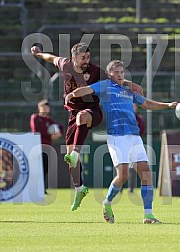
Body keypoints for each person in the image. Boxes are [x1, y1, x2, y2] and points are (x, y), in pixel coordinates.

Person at [31, 42, 143, 211]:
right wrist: (39, 54)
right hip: (73, 114)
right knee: (70, 159)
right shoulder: (65, 64)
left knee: (82, 118)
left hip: (93, 112)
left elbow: (115, 77)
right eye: (83, 57)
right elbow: (50, 58)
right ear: (73, 57)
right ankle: (79, 188)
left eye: (88, 57)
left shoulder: (96, 71)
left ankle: (76, 152)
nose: (86, 60)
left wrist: (129, 84)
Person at [65, 60, 178, 224]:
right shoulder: (105, 85)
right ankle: (107, 203)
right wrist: (73, 94)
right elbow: (88, 89)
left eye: (122, 72)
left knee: (145, 173)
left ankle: (148, 215)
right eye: (116, 72)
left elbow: (146, 103)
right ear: (110, 74)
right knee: (123, 175)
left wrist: (167, 105)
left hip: (134, 136)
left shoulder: (128, 90)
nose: (120, 75)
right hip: (117, 137)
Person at [30, 99, 63, 194]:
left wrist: (58, 133)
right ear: (39, 108)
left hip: (47, 148)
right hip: (37, 147)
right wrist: (50, 135)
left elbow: (60, 127)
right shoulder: (35, 118)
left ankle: (42, 188)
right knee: (36, 168)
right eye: (43, 107)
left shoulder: (50, 121)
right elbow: (37, 131)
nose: (45, 109)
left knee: (45, 168)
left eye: (46, 107)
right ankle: (34, 188)